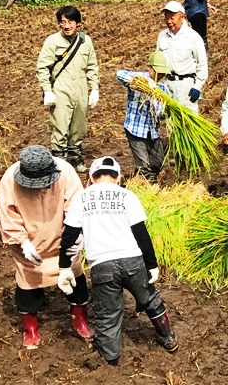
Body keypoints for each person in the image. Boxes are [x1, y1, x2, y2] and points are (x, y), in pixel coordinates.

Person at [58, 156, 178, 364]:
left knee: (108, 312)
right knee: (150, 299)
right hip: (132, 260)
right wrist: (152, 264)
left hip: (102, 265)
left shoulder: (82, 198)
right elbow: (141, 233)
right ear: (118, 177)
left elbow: (69, 236)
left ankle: (110, 355)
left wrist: (64, 267)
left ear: (92, 178)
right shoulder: (127, 196)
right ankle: (168, 337)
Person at [0, 145, 93, 349]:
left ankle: (80, 320)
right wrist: (23, 243)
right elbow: (9, 216)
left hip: (61, 240)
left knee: (76, 281)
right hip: (29, 244)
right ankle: (30, 328)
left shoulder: (66, 173)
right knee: (28, 284)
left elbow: (76, 210)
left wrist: (74, 239)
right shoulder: (9, 180)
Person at [36, 5, 100, 173]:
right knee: (60, 126)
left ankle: (75, 156)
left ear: (78, 23)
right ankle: (59, 162)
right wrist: (47, 90)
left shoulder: (86, 41)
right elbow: (42, 67)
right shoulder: (52, 41)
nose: (66, 26)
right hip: (60, 90)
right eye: (63, 22)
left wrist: (94, 88)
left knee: (79, 126)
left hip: (80, 90)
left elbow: (92, 66)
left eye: (70, 21)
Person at [116, 51, 170, 181]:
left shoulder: (162, 89)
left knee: (158, 162)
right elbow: (120, 74)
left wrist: (162, 108)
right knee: (144, 165)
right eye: (157, 71)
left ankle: (143, 178)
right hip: (135, 129)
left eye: (163, 72)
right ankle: (148, 186)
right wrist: (144, 85)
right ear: (149, 67)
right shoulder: (139, 79)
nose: (160, 75)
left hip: (152, 132)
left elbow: (161, 115)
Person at [156, 1, 208, 112]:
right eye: (166, 17)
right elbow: (157, 61)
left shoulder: (193, 37)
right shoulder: (162, 36)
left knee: (188, 124)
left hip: (186, 87)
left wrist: (197, 86)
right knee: (171, 124)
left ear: (182, 17)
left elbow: (202, 64)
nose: (169, 21)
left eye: (172, 17)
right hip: (168, 85)